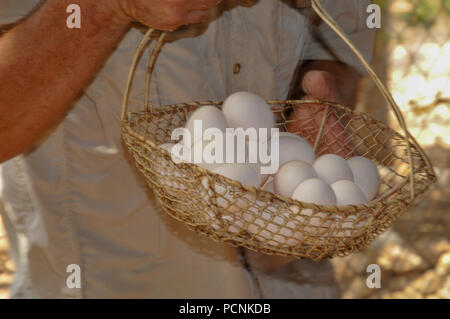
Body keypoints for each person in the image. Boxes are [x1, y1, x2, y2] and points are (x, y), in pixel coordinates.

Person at [0, 0, 375, 298]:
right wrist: (108, 7)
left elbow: (340, 31)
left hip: (290, 282)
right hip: (118, 281)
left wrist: (317, 107)